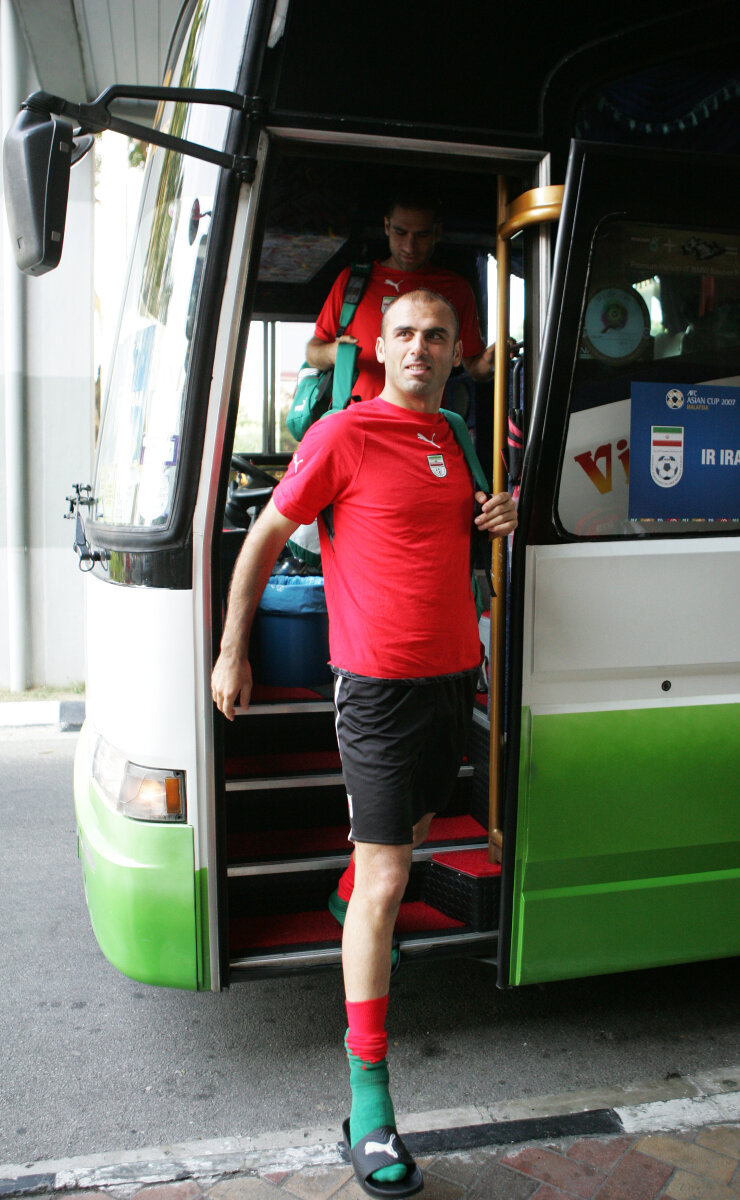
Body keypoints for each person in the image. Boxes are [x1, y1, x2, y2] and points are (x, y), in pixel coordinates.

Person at [211, 290, 517, 1198]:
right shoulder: (343, 434)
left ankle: (348, 893)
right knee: (391, 878)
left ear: (457, 352)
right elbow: (266, 537)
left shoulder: (457, 437)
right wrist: (233, 649)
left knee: (410, 835)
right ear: (380, 347)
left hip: (453, 680)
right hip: (377, 690)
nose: (421, 347)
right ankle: (370, 1105)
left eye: (437, 336)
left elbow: (455, 532)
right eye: (406, 334)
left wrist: (492, 517)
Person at [304, 192, 499, 405]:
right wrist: (334, 353)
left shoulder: (456, 289)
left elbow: (475, 368)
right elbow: (312, 353)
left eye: (422, 235)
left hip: (423, 420)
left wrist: (493, 360)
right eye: (400, 232)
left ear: (437, 232)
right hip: (356, 416)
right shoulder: (353, 281)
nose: (409, 246)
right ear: (387, 226)